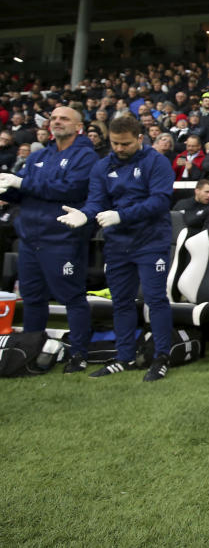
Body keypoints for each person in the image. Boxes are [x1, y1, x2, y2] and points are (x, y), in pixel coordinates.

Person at [57, 115, 175, 382]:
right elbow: (96, 201)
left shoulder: (157, 162)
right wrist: (85, 215)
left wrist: (121, 215)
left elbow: (160, 201)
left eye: (125, 144)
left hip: (151, 241)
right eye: (114, 143)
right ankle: (125, 357)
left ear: (140, 139)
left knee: (155, 300)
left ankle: (161, 357)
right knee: (121, 301)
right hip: (117, 243)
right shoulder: (102, 166)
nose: (119, 149)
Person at [0, 106, 98, 373]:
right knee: (32, 298)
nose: (57, 121)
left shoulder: (85, 156)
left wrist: (21, 184)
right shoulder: (38, 155)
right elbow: (26, 193)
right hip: (30, 238)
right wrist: (8, 190)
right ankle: (29, 352)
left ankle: (78, 354)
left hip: (62, 238)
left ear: (78, 126)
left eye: (64, 118)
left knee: (71, 297)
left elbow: (70, 189)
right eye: (53, 118)